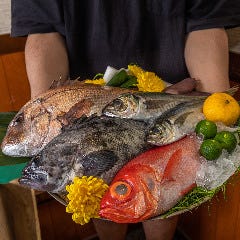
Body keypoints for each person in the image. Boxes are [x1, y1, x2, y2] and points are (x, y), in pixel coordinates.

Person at [11, 1, 240, 240]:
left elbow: (206, 23)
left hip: (171, 95)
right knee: (103, 196)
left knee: (160, 188)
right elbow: (43, 27)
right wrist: (45, 114)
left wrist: (211, 110)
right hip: (88, 103)